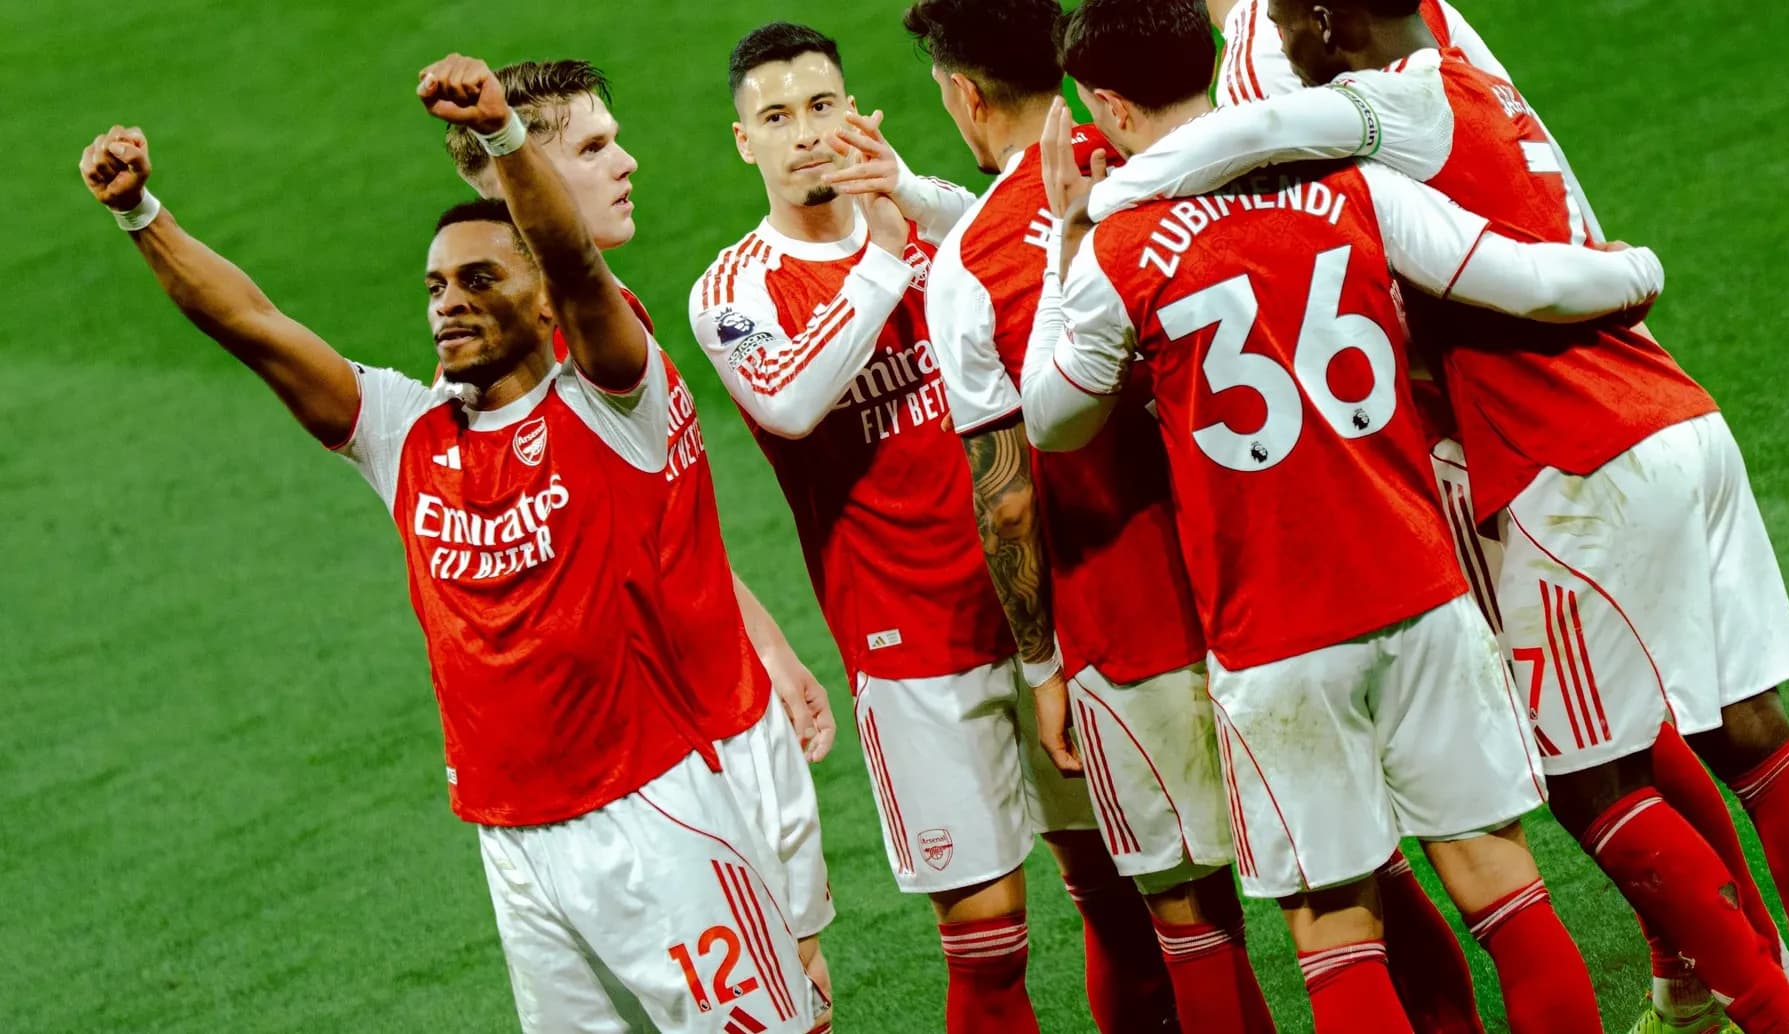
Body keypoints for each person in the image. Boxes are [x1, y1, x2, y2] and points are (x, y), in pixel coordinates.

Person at [1086, 3, 1789, 1032]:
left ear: (1324, 23)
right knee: (1735, 730)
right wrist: (1621, 269)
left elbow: (1250, 148)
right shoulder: (1455, 55)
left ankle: (1774, 1011)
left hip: (1552, 452)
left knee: (1584, 773)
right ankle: (1774, 996)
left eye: (1294, 26)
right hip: (1661, 402)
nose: (1285, 39)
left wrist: (1105, 197)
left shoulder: (1350, 93)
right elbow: (1542, 219)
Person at [77, 54, 810, 1034]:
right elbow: (252, 325)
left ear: (543, 298)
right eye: (434, 284)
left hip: (657, 814)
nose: (447, 301)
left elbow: (584, 267)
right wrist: (140, 214)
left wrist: (507, 137)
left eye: (477, 279)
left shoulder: (613, 405)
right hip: (512, 840)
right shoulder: (404, 432)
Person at [1024, 1, 1678, 1030]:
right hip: (1423, 592)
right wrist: (1637, 270)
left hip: (1276, 635)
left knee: (1334, 925)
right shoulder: (1353, 186)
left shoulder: (1121, 249)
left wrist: (1070, 234)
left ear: (1103, 106)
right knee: (1502, 888)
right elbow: (1528, 280)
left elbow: (1051, 420)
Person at [687, 22, 1171, 1034]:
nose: (806, 134)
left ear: (856, 108)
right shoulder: (732, 290)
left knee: (1122, 897)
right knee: (989, 943)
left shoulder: (931, 224)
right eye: (775, 117)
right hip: (912, 649)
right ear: (744, 143)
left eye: (822, 105)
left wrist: (902, 195)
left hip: (1043, 601)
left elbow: (1013, 228)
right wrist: (883, 264)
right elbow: (786, 397)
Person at [897, 1, 1276, 1031]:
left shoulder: (970, 261)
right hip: (1264, 571)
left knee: (1187, 909)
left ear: (964, 96)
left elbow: (1006, 490)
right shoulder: (1162, 148)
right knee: (1346, 882)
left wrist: (1040, 667)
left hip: (1123, 617)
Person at [439, 60, 838, 1023]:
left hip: (734, 706)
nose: (627, 160)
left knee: (806, 996)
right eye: (591, 147)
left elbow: (652, 513)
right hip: (677, 766)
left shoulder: (613, 314)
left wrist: (766, 643)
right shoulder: (528, 366)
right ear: (514, 175)